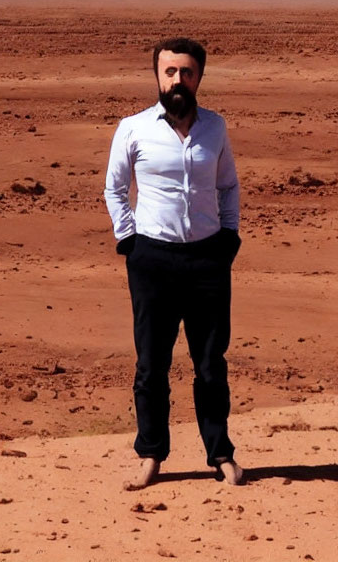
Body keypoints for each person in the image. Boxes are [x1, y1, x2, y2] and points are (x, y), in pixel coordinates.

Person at [104, 36, 244, 490]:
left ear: (199, 76)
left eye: (186, 72)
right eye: (169, 72)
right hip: (153, 260)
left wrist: (229, 235)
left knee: (210, 364)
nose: (177, 80)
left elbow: (228, 186)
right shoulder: (133, 128)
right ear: (157, 77)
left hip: (207, 259)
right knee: (151, 364)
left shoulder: (215, 128)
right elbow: (115, 188)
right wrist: (130, 241)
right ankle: (150, 456)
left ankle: (220, 453)